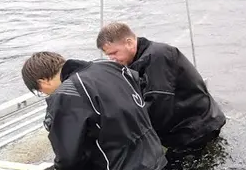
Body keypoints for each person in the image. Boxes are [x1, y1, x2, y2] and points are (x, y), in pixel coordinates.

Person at [21, 51, 166, 170]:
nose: (46, 94)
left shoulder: (66, 93)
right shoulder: (109, 66)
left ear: (42, 81)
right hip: (155, 165)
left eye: (40, 91)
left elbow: (68, 156)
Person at [96, 22, 226, 155]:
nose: (112, 59)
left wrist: (123, 133)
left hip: (195, 130)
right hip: (182, 126)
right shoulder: (135, 61)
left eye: (114, 53)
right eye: (108, 56)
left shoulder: (158, 57)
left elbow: (158, 106)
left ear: (129, 43)